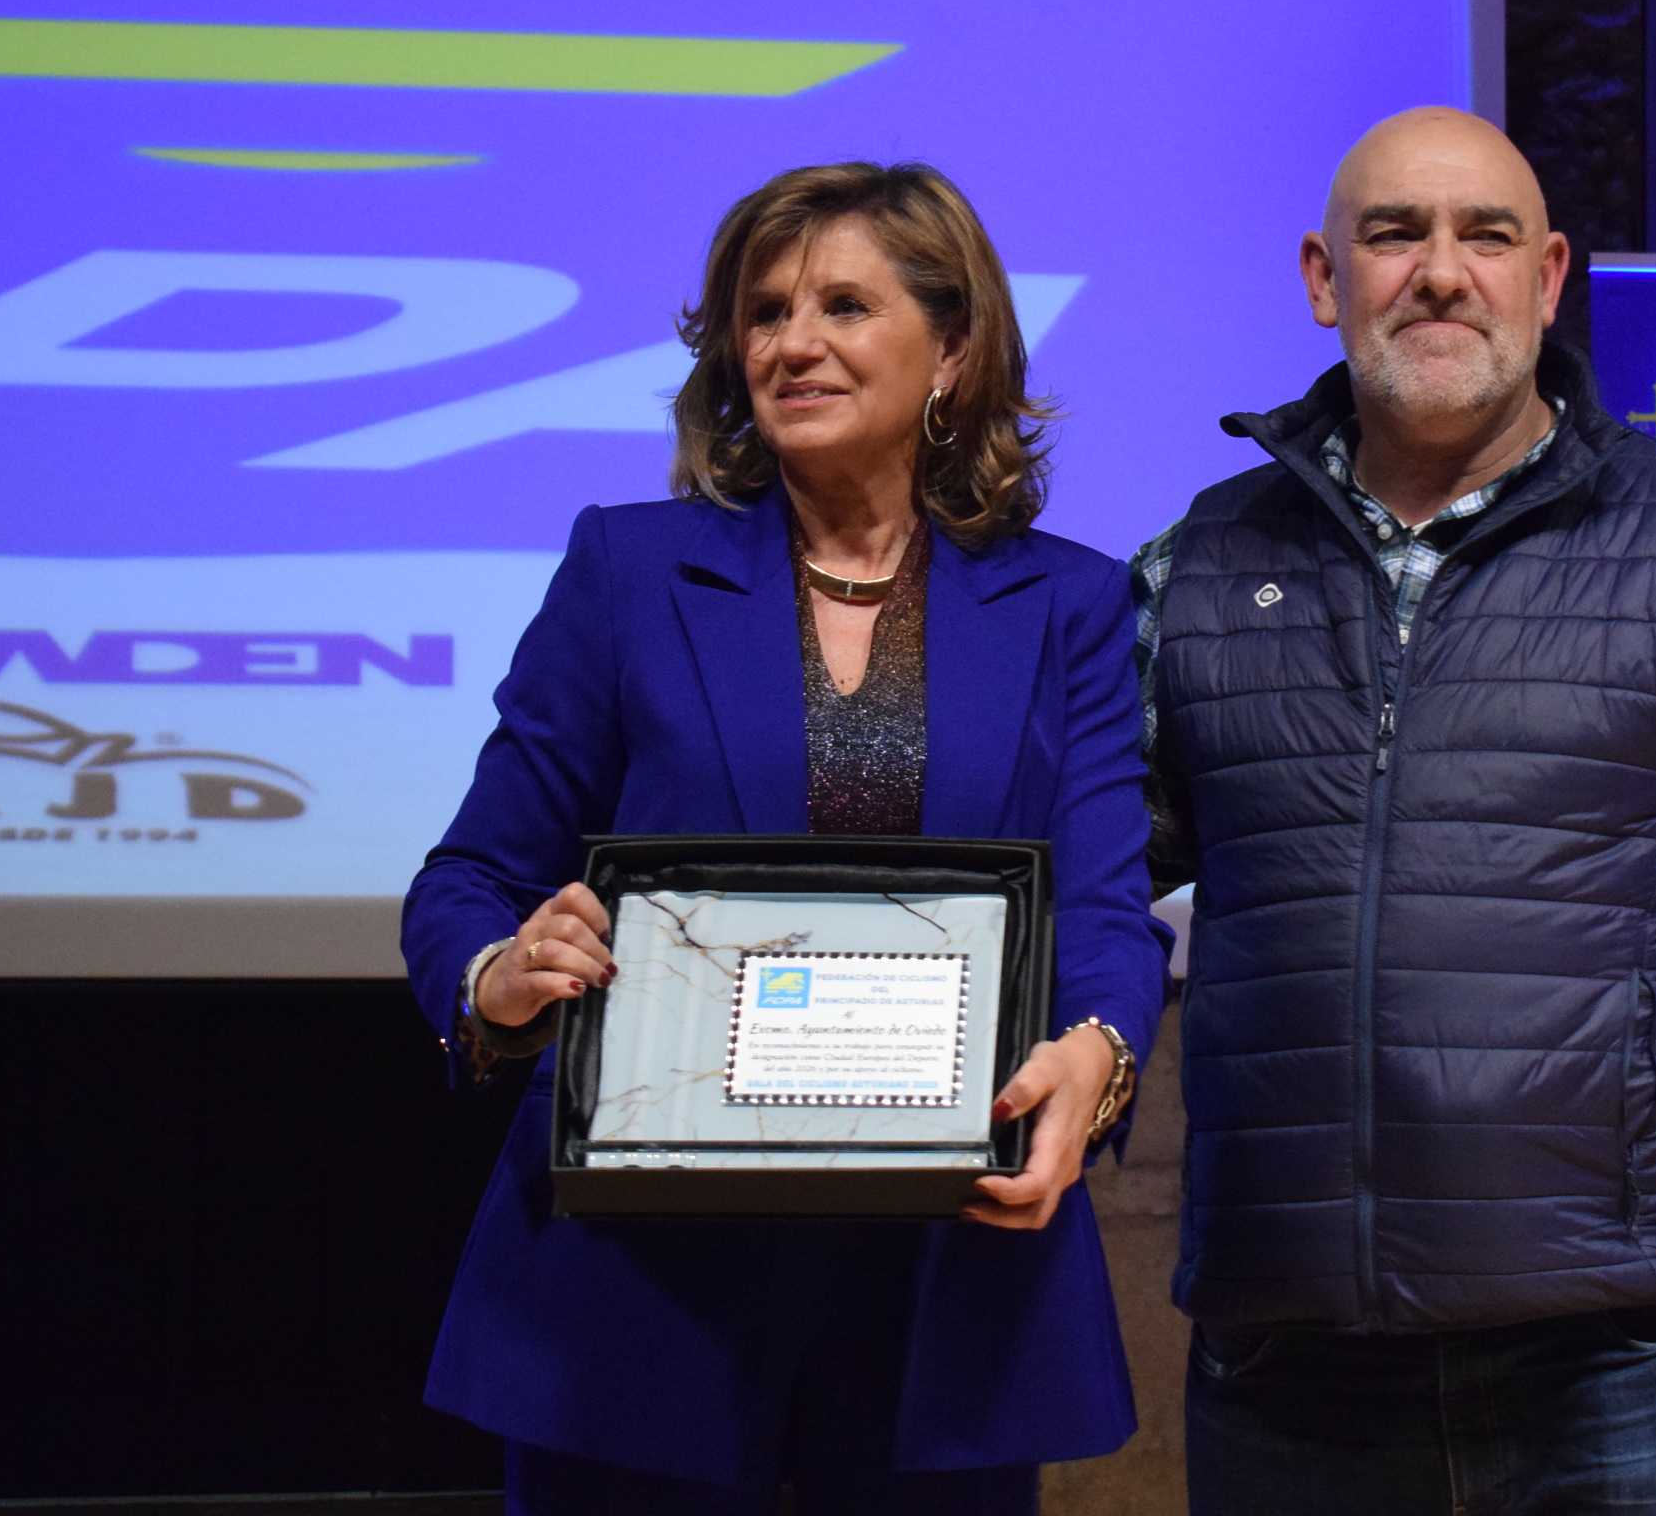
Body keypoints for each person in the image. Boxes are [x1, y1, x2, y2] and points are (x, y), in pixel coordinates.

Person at [1133, 106, 1656, 1511]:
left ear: (1548, 277)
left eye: (1484, 235)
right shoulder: (1194, 572)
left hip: (1611, 1363)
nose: (1440, 271)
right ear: (1325, 280)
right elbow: (1075, 903)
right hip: (1291, 1355)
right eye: (1395, 235)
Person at [401, 162, 1167, 1515]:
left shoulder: (1071, 608)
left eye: (843, 305)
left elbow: (1104, 909)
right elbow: (470, 879)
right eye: (763, 311)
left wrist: (1096, 1059)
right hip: (634, 1304)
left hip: (946, 1295)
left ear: (956, 347)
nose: (790, 342)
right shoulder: (628, 573)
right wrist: (497, 977)